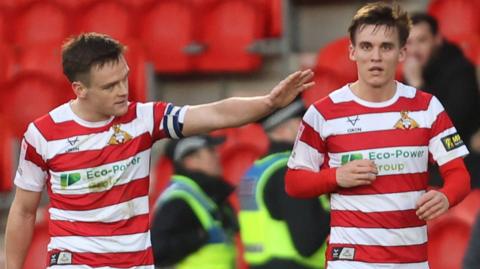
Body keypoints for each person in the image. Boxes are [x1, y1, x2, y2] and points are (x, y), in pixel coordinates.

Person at [4, 32, 314, 269]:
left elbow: (215, 114)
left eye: (125, 79)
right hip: (76, 261)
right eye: (110, 86)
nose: (123, 90)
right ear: (80, 90)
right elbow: (23, 210)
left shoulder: (142, 119)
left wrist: (268, 103)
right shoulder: (43, 134)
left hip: (135, 261)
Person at [285, 2, 471, 269]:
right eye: (366, 46)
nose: (376, 56)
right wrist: (335, 177)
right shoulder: (323, 112)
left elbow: (459, 174)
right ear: (352, 52)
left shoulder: (427, 107)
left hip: (411, 260)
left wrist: (445, 196)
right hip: (351, 260)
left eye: (386, 47)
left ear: (402, 52)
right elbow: (294, 182)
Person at [238, 98, 330, 269]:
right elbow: (307, 244)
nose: (314, 130)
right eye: (303, 124)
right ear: (282, 130)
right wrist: (336, 207)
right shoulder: (289, 171)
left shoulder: (258, 169)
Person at [403, 12, 480, 188]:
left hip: (461, 153)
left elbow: (450, 124)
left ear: (437, 39)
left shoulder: (460, 70)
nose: (414, 50)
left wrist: (417, 84)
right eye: (409, 43)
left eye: (422, 41)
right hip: (423, 155)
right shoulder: (408, 73)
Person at [151, 135, 237, 268]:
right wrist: (199, 237)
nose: (218, 155)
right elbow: (158, 249)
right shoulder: (178, 200)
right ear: (190, 160)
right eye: (210, 151)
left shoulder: (208, 193)